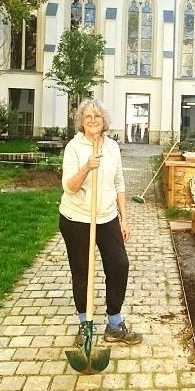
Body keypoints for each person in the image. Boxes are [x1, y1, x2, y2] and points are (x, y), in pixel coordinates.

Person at [59, 99, 142, 346]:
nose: (93, 120)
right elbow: (69, 187)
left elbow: (119, 184)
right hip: (76, 219)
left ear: (104, 120)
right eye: (88, 117)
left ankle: (114, 324)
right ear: (81, 122)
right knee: (82, 272)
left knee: (119, 265)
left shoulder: (113, 147)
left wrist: (124, 219)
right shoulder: (74, 148)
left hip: (107, 217)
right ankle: (85, 325)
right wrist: (87, 166)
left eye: (97, 116)